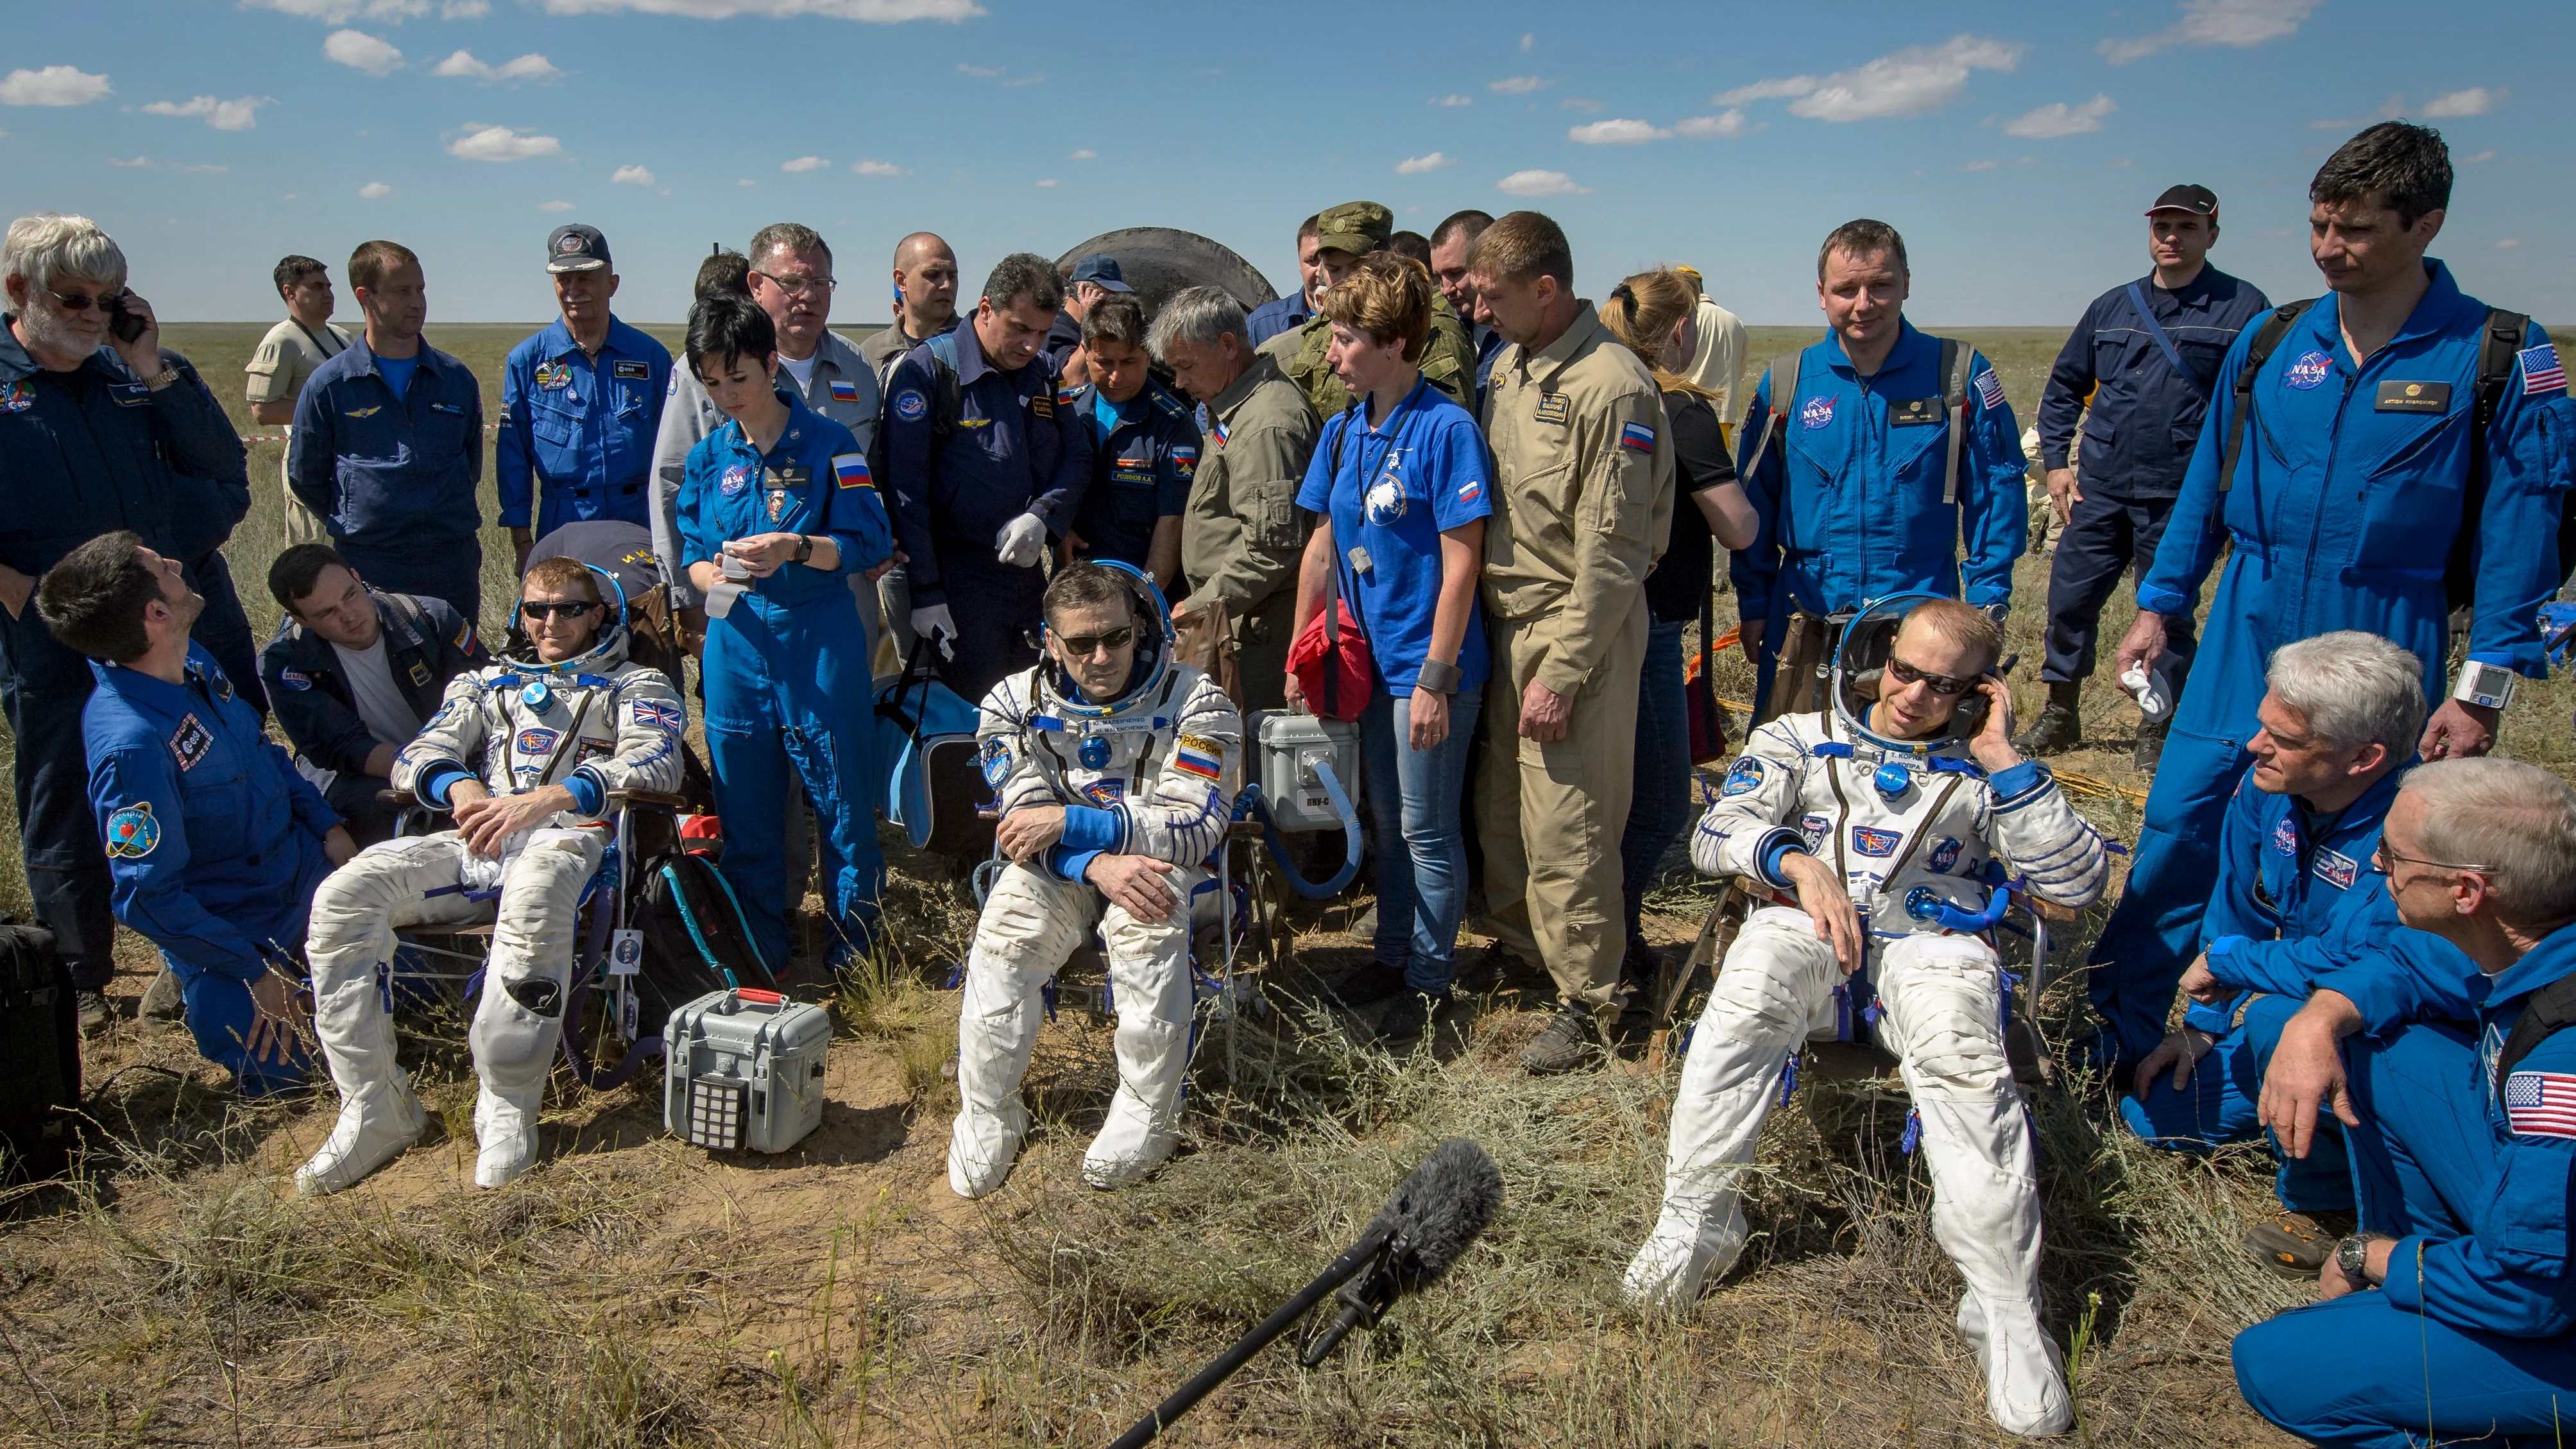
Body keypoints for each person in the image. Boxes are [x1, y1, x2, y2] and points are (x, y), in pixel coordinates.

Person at [2088, 122, 2574, 1071]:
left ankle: (2307, 1041)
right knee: (2182, 817)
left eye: (2352, 229)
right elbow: (2206, 484)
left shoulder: (2494, 353)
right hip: (2248, 618)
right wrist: (2159, 603)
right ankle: (2119, 1021)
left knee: (2364, 859)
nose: (2326, 247)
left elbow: (2524, 529)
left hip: (2384, 631)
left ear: (2423, 223)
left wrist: (2482, 688)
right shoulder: (2272, 342)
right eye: (2316, 224)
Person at [1624, 597, 2109, 1438]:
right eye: (1903, 669)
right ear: (1876, 654)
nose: (1912, 694)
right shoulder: (1798, 738)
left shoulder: (1982, 771)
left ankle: (2000, 1307)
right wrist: (1792, 859)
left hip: (1932, 948)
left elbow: (2072, 887)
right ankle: (1698, 1221)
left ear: (1977, 693)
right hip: (1809, 929)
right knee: (1746, 991)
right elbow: (1717, 831)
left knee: (1964, 1062)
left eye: (1942, 685)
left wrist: (2000, 756)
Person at [296, 555, 686, 1194]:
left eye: (568, 608)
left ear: (599, 613)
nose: (550, 622)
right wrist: (460, 785)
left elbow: (657, 761)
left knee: (536, 885)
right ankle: (374, 1104)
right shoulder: (484, 684)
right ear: (519, 615)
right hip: (480, 839)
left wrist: (554, 796)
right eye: (536, 608)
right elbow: (420, 752)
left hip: (575, 843)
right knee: (345, 893)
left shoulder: (634, 685)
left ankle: (507, 1099)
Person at [2233, 758, 2576, 1448]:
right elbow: (2408, 965)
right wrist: (2318, 1019)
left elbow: (2528, 1292)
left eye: (2391, 856)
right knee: (2383, 1044)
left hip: (2543, 1300)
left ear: (2466, 890)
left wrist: (2375, 1254)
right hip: (2531, 1245)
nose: (2376, 868)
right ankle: (2438, 1284)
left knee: (2278, 1366)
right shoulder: (2530, 935)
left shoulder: (2559, 1066)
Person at [1, 213, 260, 1029]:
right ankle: (76, 974)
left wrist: (149, 366)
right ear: (19, 291)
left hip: (172, 618)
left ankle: (210, 943)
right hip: (51, 627)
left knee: (217, 767)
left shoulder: (140, 374)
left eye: (110, 301)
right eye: (74, 297)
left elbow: (222, 466)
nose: (92, 314)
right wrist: (9, 586)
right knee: (66, 786)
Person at [2122, 632, 2423, 1273]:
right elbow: (2237, 902)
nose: (2257, 746)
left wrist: (2230, 966)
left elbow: (2355, 958)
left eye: (2284, 739)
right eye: (2264, 726)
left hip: (2386, 1030)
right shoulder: (2265, 789)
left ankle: (2331, 1203)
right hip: (2294, 999)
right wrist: (2201, 1026)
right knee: (2154, 1114)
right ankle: (2309, 1127)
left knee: (2273, 1019)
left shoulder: (2413, 828)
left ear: (2363, 757)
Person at [947, 561, 1240, 1199]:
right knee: (1007, 933)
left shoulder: (1198, 702)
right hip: (1070, 864)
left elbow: (1194, 825)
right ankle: (989, 1109)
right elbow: (1024, 826)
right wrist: (1093, 860)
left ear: (1139, 626)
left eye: (1114, 636)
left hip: (1169, 863)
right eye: (1080, 643)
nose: (1100, 655)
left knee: (1146, 920)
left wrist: (1072, 821)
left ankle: (1147, 1110)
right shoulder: (1010, 704)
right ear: (1051, 642)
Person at [1465, 210, 1676, 1074]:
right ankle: (1523, 952)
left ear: (1544, 289)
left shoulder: (1610, 385)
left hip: (1570, 628)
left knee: (1571, 827)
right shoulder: (1510, 369)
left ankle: (1589, 1000)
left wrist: (1561, 668)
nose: (1478, 311)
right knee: (1505, 813)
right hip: (1505, 620)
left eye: (1491, 295)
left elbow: (1614, 553)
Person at [37, 532, 355, 1092]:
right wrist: (254, 971)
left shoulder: (193, 660)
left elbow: (264, 754)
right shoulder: (131, 745)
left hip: (305, 877)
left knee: (421, 990)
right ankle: (200, 984)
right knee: (283, 1064)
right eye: (164, 566)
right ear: (157, 612)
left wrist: (328, 827)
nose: (179, 562)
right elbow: (146, 896)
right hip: (236, 925)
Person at [1285, 254, 1490, 1041]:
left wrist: (1436, 679)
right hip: (1360, 665)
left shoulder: (1446, 430)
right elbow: (1322, 546)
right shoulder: (1342, 432)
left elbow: (1462, 560)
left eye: (1344, 340)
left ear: (1397, 343)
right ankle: (1393, 951)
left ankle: (1432, 983)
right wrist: (1302, 655)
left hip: (1424, 666)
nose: (1331, 354)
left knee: (1425, 828)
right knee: (1382, 819)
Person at [1730, 219, 2028, 720]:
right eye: (1846, 289)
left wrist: (1985, 605)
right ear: (1821, 294)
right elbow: (1754, 502)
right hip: (1804, 616)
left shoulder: (1956, 374)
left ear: (1906, 284)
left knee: (1910, 774)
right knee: (1792, 762)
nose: (1863, 303)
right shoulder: (1787, 383)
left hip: (1918, 625)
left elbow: (1997, 492)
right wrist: (1755, 603)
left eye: (1880, 286)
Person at [676, 293, 896, 972]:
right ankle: (760, 950)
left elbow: (868, 541)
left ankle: (853, 949)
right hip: (736, 646)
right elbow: (692, 546)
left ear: (772, 364)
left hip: (817, 641)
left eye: (737, 378)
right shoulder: (710, 456)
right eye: (711, 383)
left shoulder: (832, 444)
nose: (725, 395)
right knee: (746, 807)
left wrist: (796, 547)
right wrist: (711, 577)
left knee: (843, 805)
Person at [2017, 185, 2272, 769]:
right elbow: (2063, 387)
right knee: (2069, 602)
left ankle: (2155, 726)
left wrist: (2234, 495)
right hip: (2099, 488)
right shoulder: (2113, 307)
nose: (2171, 237)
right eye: (2162, 226)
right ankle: (2060, 712)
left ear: (2212, 233)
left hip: (2181, 496)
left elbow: (2257, 409)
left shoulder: (2243, 308)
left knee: (2167, 612)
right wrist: (2056, 462)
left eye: (2185, 227)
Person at [1598, 269, 1757, 984]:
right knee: (1662, 800)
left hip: (1591, 621)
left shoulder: (1595, 392)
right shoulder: (1680, 410)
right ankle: (1618, 940)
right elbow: (1739, 527)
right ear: (1682, 331)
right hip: (1652, 625)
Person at [652, 223, 887, 655]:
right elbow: (671, 485)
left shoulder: (855, 365)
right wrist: (687, 596)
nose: (809, 296)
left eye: (821, 283)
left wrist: (881, 544)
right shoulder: (699, 368)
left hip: (838, 601)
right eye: (793, 282)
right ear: (756, 286)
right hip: (740, 607)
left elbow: (872, 474)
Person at [882, 252, 1094, 700]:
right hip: (958, 585)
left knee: (1036, 705)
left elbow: (1077, 457)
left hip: (1025, 579)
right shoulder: (930, 372)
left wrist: (1043, 516)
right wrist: (926, 592)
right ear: (985, 310)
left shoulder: (1041, 376)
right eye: (1019, 329)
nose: (1031, 345)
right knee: (976, 720)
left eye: (1041, 332)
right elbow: (906, 491)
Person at [290, 239, 488, 624]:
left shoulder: (454, 379)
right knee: (383, 669)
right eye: (402, 292)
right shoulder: (330, 385)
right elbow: (305, 476)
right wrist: (361, 515)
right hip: (372, 562)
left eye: (420, 290)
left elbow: (470, 463)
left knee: (460, 672)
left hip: (451, 559)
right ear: (366, 296)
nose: (417, 302)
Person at [1150, 285, 1319, 712]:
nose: (1180, 382)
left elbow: (1270, 549)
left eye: (1187, 366)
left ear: (1228, 346)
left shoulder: (1266, 424)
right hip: (1238, 621)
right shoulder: (1239, 409)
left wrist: (1197, 607)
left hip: (1256, 636)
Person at [260, 543, 490, 845]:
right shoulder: (285, 663)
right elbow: (344, 747)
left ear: (357, 577)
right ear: (300, 619)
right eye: (328, 612)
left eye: (350, 595)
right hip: (359, 771)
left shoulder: (429, 617)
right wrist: (435, 777)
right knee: (393, 813)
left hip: (454, 750)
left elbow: (486, 698)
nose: (349, 616)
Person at [495, 224, 674, 572]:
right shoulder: (528, 361)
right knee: (564, 621)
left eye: (586, 278)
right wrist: (522, 542)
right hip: (563, 522)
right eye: (565, 280)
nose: (574, 290)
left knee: (643, 620)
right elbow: (513, 458)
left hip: (638, 520)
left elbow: (675, 452)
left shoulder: (650, 357)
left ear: (612, 283)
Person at [1260, 201, 1480, 420]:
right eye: (1334, 269)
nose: (1345, 279)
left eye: (1357, 267)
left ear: (1385, 263)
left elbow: (1441, 431)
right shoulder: (1319, 333)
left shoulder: (1429, 332)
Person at [1063, 293, 1197, 589]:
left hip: (1141, 586)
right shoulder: (1065, 413)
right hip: (1075, 587)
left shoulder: (1172, 424)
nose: (1115, 376)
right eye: (1104, 362)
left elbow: (1172, 522)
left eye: (1128, 362)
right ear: (1085, 353)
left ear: (1148, 355)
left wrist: (1144, 598)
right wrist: (1058, 529)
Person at [244, 254, 351, 546]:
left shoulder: (342, 336)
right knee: (317, 553)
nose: (327, 294)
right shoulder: (281, 341)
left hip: (347, 459)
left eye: (328, 286)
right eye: (316, 287)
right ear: (289, 292)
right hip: (310, 460)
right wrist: (329, 413)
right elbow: (262, 409)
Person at [859, 230, 961, 385]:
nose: (947, 285)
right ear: (901, 281)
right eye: (933, 275)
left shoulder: (975, 347)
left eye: (952, 276)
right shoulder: (868, 354)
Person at [1428, 209, 1505, 410]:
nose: (1445, 289)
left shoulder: (1525, 339)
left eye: (1455, 273)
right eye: (1439, 277)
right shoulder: (1446, 334)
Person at [1671, 266, 1750, 425]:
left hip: (1686, 410)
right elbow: (1740, 371)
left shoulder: (1679, 318)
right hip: (1723, 413)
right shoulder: (1734, 321)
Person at [1044, 252, 1134, 381]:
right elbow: (1070, 381)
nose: (1114, 304)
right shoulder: (1052, 328)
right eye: (1109, 296)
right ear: (1082, 291)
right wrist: (1092, 322)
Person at [1244, 214, 1322, 347]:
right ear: (1300, 265)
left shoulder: (1366, 323)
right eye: (1312, 261)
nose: (1321, 272)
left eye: (1331, 263)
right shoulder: (1263, 325)